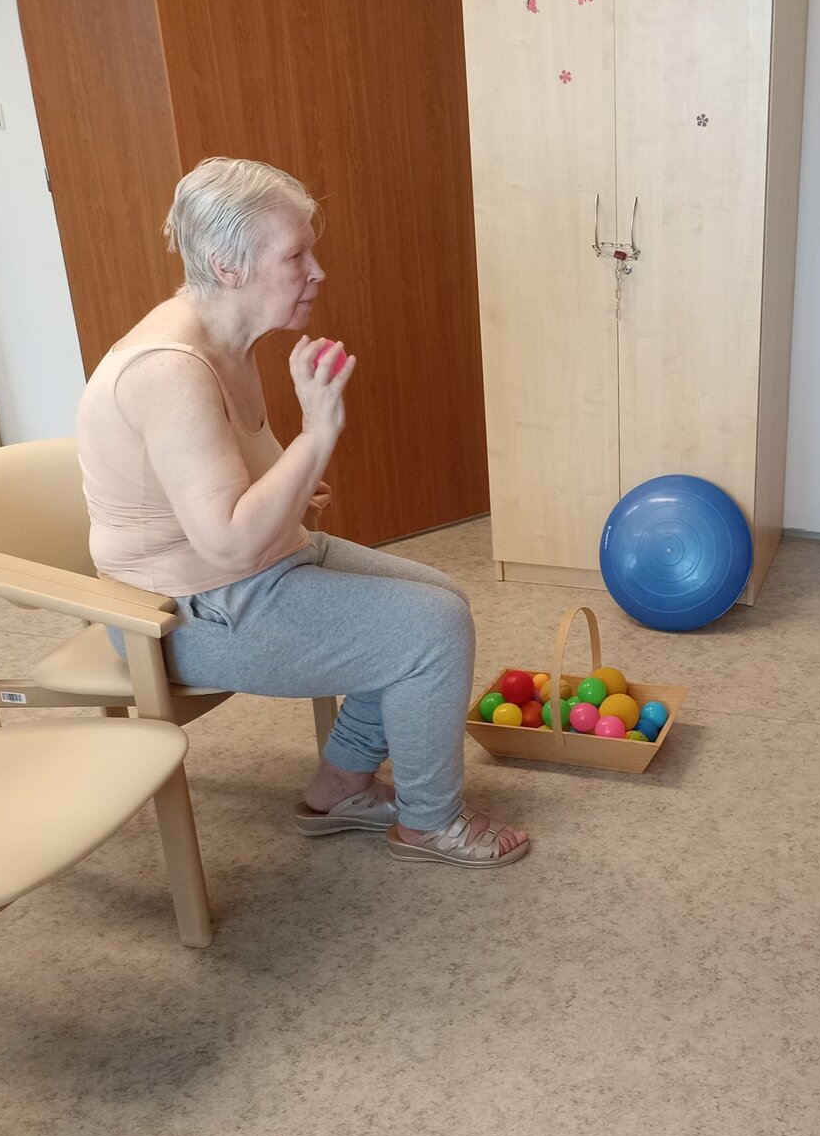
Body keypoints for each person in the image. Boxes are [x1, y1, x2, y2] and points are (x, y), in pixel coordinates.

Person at [76, 156, 527, 869]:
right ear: (228, 266)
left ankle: (338, 788)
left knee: (441, 597)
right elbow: (228, 544)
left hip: (256, 566)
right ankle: (430, 822)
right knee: (430, 630)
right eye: (295, 256)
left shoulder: (227, 334)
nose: (317, 272)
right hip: (180, 614)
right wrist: (317, 434)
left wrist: (292, 484)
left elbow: (225, 488)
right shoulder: (169, 370)